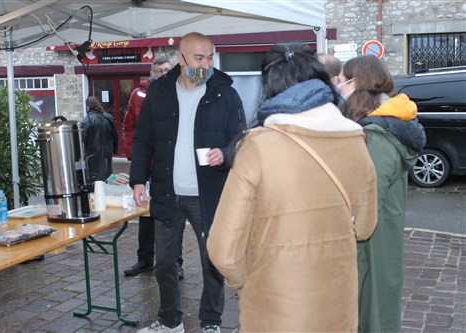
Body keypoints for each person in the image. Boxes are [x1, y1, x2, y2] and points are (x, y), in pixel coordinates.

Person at [206, 43, 379, 332]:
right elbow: (364, 228)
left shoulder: (257, 146)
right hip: (339, 304)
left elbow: (223, 249)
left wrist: (245, 280)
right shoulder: (356, 139)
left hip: (276, 308)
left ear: (269, 88)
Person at [129, 32, 246, 333]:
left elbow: (241, 139)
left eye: (210, 57)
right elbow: (143, 139)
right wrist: (138, 180)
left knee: (212, 262)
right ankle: (170, 322)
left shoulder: (224, 93)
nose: (206, 64)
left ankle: (211, 322)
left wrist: (226, 152)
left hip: (207, 194)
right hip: (168, 193)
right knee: (164, 263)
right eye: (199, 58)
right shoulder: (160, 92)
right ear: (180, 59)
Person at [338, 55, 426, 333]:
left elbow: (366, 202)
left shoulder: (376, 137)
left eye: (341, 81)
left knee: (373, 315)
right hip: (380, 236)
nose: (338, 87)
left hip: (371, 243)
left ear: (356, 83)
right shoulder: (381, 129)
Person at [122, 56, 185, 280]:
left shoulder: (181, 92)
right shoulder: (139, 94)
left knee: (173, 214)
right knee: (146, 214)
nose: (163, 73)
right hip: (147, 165)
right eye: (158, 70)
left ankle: (175, 263)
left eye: (166, 69)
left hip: (172, 165)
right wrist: (134, 155)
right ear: (152, 73)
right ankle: (145, 259)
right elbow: (129, 127)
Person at [81, 96, 118, 183]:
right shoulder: (108, 117)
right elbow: (115, 136)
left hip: (93, 152)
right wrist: (114, 150)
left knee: (95, 178)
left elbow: (83, 138)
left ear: (88, 107)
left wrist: (82, 153)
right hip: (107, 151)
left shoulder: (87, 120)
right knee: (107, 174)